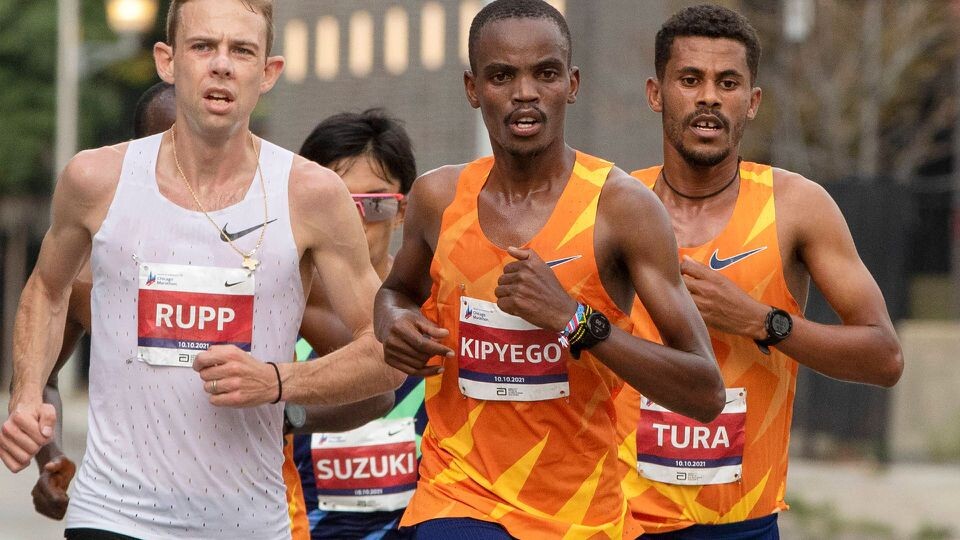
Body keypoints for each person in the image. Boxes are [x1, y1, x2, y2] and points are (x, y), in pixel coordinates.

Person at [1, 1, 404, 538]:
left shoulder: (311, 194)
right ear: (167, 61)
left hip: (247, 521)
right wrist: (27, 396)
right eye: (203, 46)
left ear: (269, 72)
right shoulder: (95, 178)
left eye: (242, 50)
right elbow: (48, 291)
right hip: (112, 514)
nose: (221, 65)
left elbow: (386, 354)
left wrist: (278, 381)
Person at [374, 1, 725, 538]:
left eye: (545, 73)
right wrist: (394, 324)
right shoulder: (438, 197)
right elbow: (395, 291)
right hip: (458, 493)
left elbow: (704, 392)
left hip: (581, 512)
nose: (525, 93)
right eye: (501, 76)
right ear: (472, 88)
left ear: (572, 84)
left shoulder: (620, 208)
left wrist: (573, 321)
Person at [616, 5, 904, 539]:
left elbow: (884, 357)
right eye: (690, 80)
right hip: (614, 520)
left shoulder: (796, 206)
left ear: (752, 102)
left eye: (727, 83)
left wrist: (762, 321)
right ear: (656, 93)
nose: (708, 97)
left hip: (739, 524)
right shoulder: (610, 206)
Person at [291, 109, 426, 539]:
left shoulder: (440, 308)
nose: (354, 221)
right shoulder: (274, 313)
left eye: (375, 204)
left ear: (403, 211)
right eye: (336, 202)